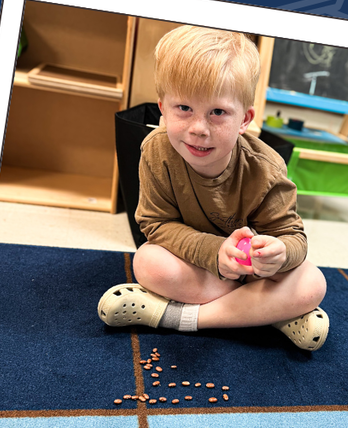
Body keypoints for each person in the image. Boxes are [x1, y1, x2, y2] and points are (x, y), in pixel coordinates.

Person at [97, 25, 328, 351]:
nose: (198, 129)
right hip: (197, 265)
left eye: (217, 112)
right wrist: (215, 253)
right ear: (162, 109)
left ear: (244, 120)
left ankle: (177, 317)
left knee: (312, 283)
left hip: (251, 273)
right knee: (148, 262)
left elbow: (293, 239)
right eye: (184, 109)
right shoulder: (155, 150)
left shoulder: (266, 168)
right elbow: (155, 224)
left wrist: (279, 253)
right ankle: (269, 313)